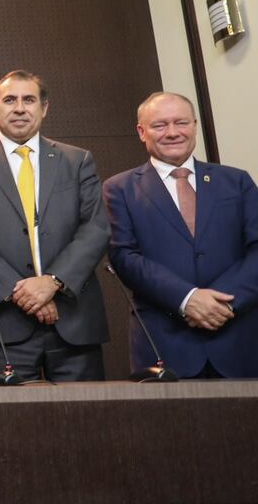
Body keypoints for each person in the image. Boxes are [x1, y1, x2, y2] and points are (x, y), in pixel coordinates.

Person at [0, 70, 109, 382]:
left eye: (28, 100)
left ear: (43, 108)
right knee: (10, 426)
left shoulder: (77, 161)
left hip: (73, 318)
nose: (19, 108)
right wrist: (23, 293)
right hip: (5, 323)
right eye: (9, 100)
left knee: (86, 423)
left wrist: (53, 282)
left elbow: (95, 228)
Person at [104, 92, 258, 378]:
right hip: (165, 344)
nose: (173, 132)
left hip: (239, 338)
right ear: (142, 131)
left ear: (195, 126)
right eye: (160, 125)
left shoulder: (237, 181)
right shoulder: (119, 189)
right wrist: (188, 299)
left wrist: (222, 303)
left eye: (181, 123)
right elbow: (124, 257)